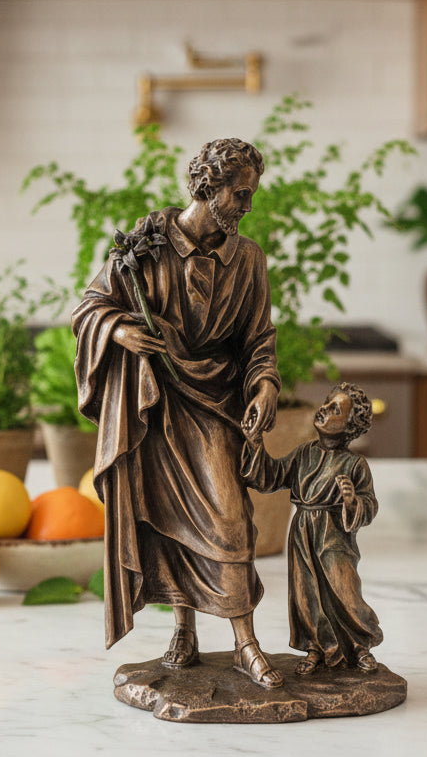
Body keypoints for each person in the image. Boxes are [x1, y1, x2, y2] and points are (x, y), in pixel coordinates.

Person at [72, 137, 284, 688]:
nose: (247, 206)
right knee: (165, 521)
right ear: (208, 188)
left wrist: (263, 386)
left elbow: (259, 338)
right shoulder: (143, 248)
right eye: (240, 195)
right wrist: (120, 330)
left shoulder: (248, 259)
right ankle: (183, 630)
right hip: (157, 403)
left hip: (215, 402)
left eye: (250, 195)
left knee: (231, 518)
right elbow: (89, 307)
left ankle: (245, 642)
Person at [241, 381, 383, 675]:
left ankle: (359, 646)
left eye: (335, 410)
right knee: (307, 594)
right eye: (326, 403)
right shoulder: (303, 453)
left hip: (334, 537)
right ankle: (317, 648)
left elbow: (370, 505)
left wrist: (352, 501)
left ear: (350, 426)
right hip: (303, 533)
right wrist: (255, 443)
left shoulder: (354, 464)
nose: (324, 410)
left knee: (345, 591)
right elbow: (270, 476)